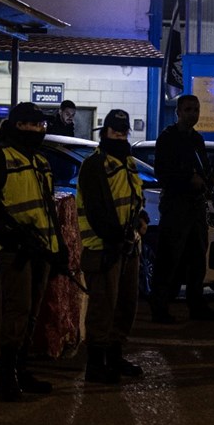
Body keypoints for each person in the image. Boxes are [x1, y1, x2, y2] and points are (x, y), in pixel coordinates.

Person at [0, 102, 70, 402]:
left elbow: (48, 210)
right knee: (17, 313)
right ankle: (7, 378)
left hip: (41, 250)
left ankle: (20, 372)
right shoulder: (0, 159)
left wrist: (58, 247)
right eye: (33, 125)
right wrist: (9, 238)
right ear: (19, 126)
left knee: (31, 315)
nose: (39, 131)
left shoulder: (39, 161)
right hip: (14, 252)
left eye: (41, 126)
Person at [76, 109, 148, 383]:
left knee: (125, 305)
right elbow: (96, 210)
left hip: (127, 246)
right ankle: (96, 365)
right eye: (114, 130)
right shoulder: (95, 164)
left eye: (122, 131)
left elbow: (134, 198)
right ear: (104, 131)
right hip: (103, 248)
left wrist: (141, 218)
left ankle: (115, 358)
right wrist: (118, 239)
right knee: (103, 308)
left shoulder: (128, 162)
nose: (118, 135)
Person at [148, 94, 214, 323]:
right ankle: (160, 308)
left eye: (196, 109)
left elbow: (204, 167)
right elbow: (162, 172)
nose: (193, 114)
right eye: (189, 109)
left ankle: (196, 304)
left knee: (197, 259)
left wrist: (211, 178)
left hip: (196, 206)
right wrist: (187, 180)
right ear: (178, 112)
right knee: (169, 259)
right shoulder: (168, 139)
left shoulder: (197, 140)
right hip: (176, 205)